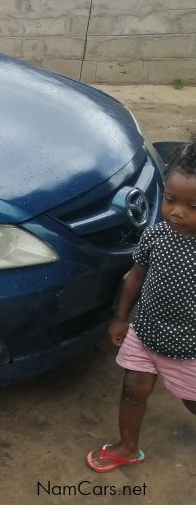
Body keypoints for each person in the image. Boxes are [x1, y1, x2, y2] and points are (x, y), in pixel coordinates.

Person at [86, 139, 196, 473]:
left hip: (190, 346)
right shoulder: (156, 237)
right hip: (146, 331)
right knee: (134, 388)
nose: (176, 211)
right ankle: (127, 448)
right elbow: (135, 277)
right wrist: (121, 319)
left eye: (193, 206)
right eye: (171, 199)